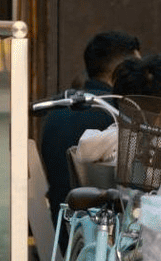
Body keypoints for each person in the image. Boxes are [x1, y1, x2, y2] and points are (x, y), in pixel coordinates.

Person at [39, 30, 141, 223]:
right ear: (121, 70)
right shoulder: (114, 114)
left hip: (65, 234)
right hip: (100, 235)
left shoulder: (59, 110)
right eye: (137, 69)